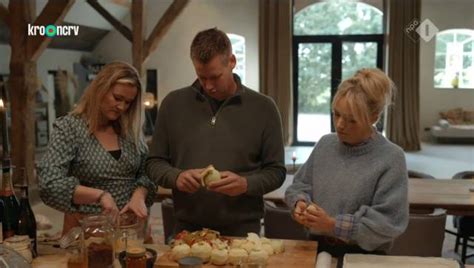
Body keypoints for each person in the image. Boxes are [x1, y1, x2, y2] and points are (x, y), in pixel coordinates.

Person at [146, 27, 286, 237]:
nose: (209, 86)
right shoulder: (173, 104)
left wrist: (245, 184)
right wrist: (177, 177)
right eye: (202, 78)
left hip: (243, 231)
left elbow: (276, 172)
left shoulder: (264, 108)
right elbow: (153, 163)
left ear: (231, 61)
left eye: (215, 77)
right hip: (186, 228)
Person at [285, 68, 408, 257]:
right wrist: (300, 203)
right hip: (316, 248)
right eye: (337, 114)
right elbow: (299, 185)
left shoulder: (391, 157)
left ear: (374, 117)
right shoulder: (325, 144)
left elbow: (389, 221)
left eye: (352, 120)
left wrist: (333, 225)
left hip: (364, 256)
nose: (340, 124)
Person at [38, 62, 156, 235]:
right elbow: (49, 184)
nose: (122, 107)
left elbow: (148, 172)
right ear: (100, 89)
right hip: (86, 233)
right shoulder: (70, 128)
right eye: (117, 98)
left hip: (130, 232)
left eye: (128, 102)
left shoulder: (130, 132)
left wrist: (139, 194)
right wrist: (100, 196)